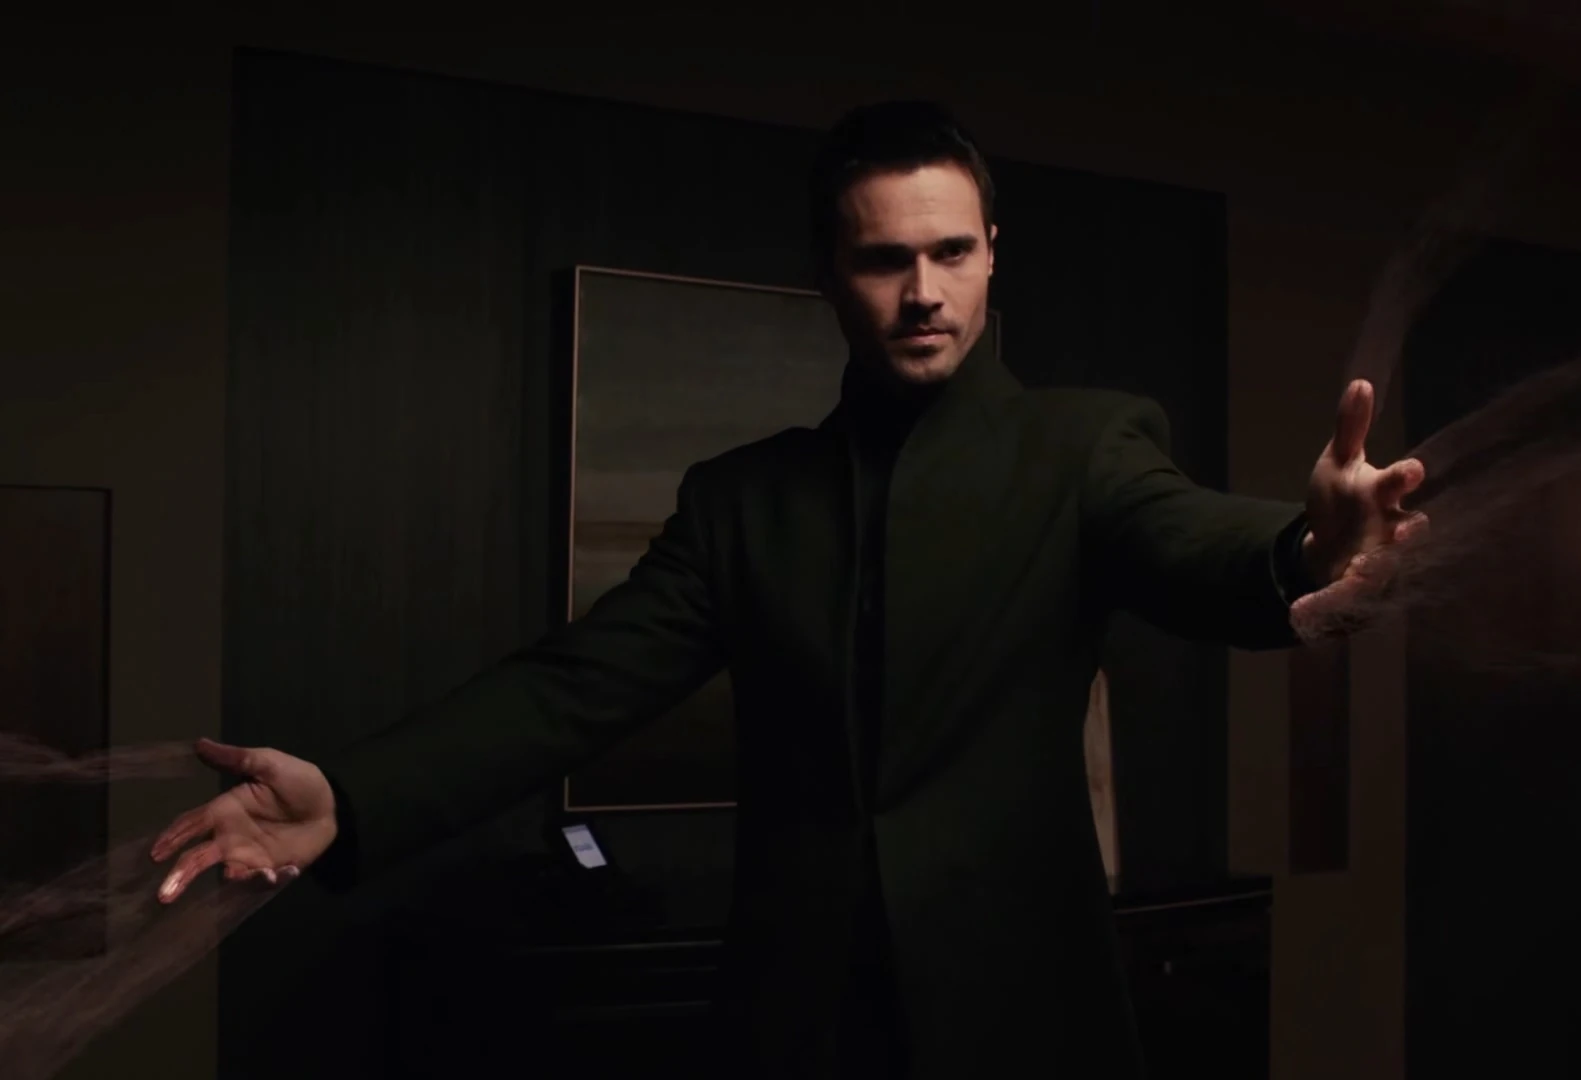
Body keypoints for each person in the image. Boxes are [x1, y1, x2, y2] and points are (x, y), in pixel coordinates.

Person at [150, 100, 1426, 1078]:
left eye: (951, 253)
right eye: (884, 260)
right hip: (795, 1026)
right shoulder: (741, 502)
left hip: (1027, 1020)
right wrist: (351, 801)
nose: (922, 293)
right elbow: (573, 690)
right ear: (829, 271)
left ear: (992, 257)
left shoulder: (1086, 449)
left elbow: (1192, 542)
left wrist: (1308, 550)